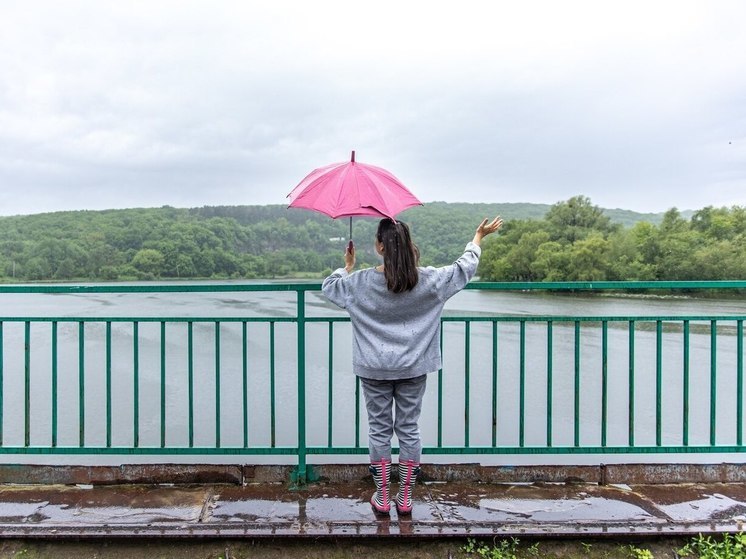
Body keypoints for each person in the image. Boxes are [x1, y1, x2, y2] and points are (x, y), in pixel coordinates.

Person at [321, 216, 503, 515]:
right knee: (409, 429)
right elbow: (464, 268)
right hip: (414, 368)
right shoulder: (429, 280)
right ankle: (404, 498)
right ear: (407, 246)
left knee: (379, 431)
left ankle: (382, 495)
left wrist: (347, 266)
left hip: (374, 369)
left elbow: (329, 286)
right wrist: (477, 238)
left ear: (380, 247)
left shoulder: (359, 283)